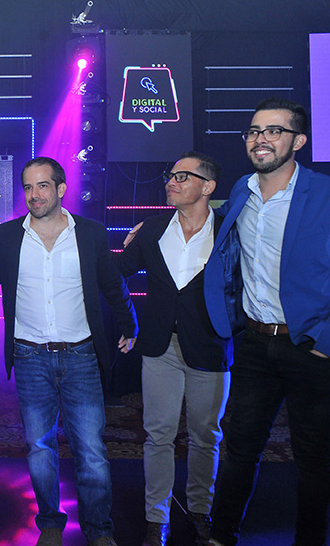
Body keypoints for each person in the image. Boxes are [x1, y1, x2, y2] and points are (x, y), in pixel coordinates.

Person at [203, 98, 330, 546]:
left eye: (274, 131)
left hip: (314, 347)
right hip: (254, 346)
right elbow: (218, 238)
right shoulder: (242, 191)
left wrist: (329, 344)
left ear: (298, 141)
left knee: (312, 457)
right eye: (254, 131)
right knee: (239, 447)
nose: (260, 139)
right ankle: (221, 535)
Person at [0, 157, 138, 546]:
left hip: (81, 356)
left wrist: (129, 324)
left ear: (61, 189)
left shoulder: (91, 233)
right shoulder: (9, 235)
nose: (34, 195)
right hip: (29, 357)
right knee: (38, 447)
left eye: (43, 186)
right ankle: (49, 523)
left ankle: (99, 530)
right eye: (28, 187)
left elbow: (112, 284)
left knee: (91, 451)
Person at [117, 152, 232, 546]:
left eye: (184, 176)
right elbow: (115, 274)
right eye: (171, 175)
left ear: (208, 186)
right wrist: (129, 322)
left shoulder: (229, 230)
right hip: (159, 347)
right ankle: (157, 519)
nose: (171, 181)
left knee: (206, 436)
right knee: (158, 435)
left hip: (211, 347)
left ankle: (200, 512)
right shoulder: (151, 229)